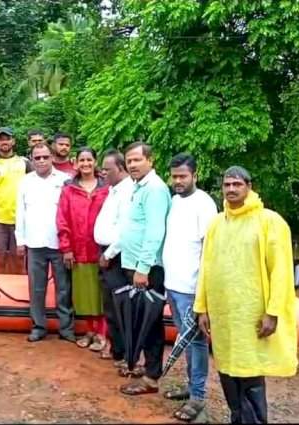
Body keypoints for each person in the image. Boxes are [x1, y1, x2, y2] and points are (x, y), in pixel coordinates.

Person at [194, 166, 298, 424]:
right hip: (223, 314)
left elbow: (281, 272)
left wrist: (272, 312)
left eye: (237, 184)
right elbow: (206, 267)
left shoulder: (269, 221)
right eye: (227, 185)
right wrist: (202, 308)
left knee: (250, 372)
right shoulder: (217, 223)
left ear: (249, 187)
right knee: (227, 370)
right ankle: (236, 418)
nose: (231, 189)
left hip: (252, 315)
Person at [161, 153, 217, 422]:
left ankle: (198, 397)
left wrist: (203, 295)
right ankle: (190, 386)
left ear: (195, 175)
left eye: (183, 176)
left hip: (192, 287)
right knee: (184, 338)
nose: (178, 181)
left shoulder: (204, 204)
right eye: (174, 177)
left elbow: (209, 251)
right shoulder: (174, 201)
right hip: (173, 283)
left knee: (195, 342)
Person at [117, 142, 171, 397]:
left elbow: (155, 230)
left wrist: (143, 267)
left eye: (137, 160)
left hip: (146, 268)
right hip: (134, 264)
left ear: (150, 160)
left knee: (150, 323)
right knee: (141, 321)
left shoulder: (155, 189)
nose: (132, 165)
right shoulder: (138, 187)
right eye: (129, 161)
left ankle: (151, 377)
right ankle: (146, 368)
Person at [15, 143, 75, 343]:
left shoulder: (65, 180)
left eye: (45, 157)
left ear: (52, 158)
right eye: (37, 157)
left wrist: (69, 244)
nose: (41, 161)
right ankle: (39, 327)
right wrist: (20, 240)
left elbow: (70, 213)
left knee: (64, 287)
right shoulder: (25, 182)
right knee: (37, 288)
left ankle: (66, 328)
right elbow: (20, 212)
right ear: (31, 159)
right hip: (34, 242)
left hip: (59, 244)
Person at [57, 147, 109, 351]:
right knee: (83, 294)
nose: (86, 164)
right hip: (78, 250)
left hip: (101, 250)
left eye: (89, 160)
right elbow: (62, 219)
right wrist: (66, 248)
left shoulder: (107, 188)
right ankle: (89, 330)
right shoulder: (68, 189)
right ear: (76, 163)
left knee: (101, 293)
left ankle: (102, 333)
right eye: (82, 160)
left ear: (95, 162)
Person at [94, 149, 133, 364]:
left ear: (120, 169)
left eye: (107, 170)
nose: (103, 173)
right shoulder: (113, 189)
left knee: (120, 307)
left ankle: (125, 353)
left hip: (116, 255)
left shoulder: (128, 192)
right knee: (110, 305)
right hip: (107, 252)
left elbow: (127, 229)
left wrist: (109, 253)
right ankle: (118, 349)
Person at [0, 127, 32, 273]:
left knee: (19, 259)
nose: (5, 142)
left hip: (21, 219)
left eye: (8, 138)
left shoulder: (25, 163)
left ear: (13, 141)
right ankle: (0, 291)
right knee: (0, 259)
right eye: (1, 139)